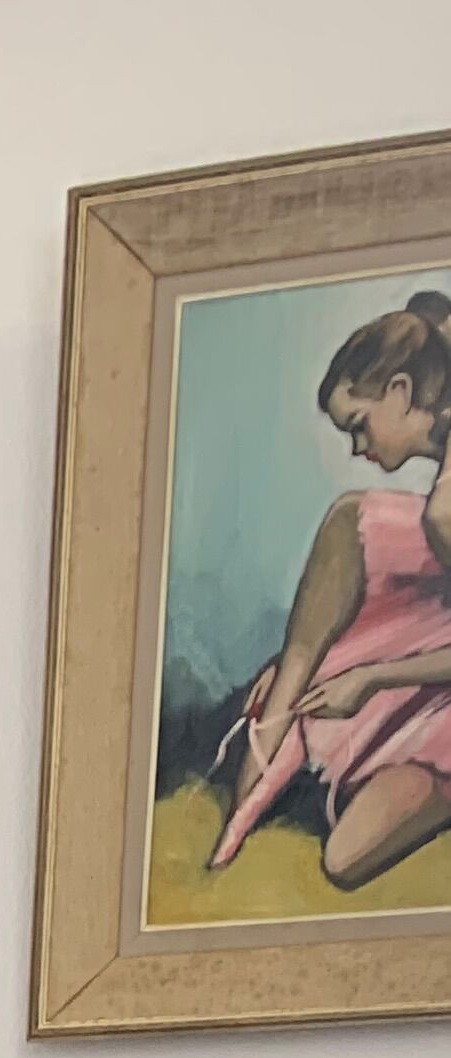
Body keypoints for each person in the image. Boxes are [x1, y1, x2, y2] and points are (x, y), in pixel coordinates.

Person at [212, 290, 451, 887]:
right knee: (351, 519)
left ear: (399, 392)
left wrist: (369, 676)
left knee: (344, 861)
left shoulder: (446, 511)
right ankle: (244, 809)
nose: (357, 448)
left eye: (358, 425)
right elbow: (433, 306)